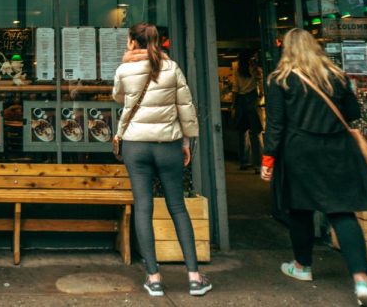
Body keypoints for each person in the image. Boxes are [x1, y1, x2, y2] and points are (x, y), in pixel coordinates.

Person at [261, 28, 367, 307]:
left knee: (300, 211)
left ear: (286, 50)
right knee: (342, 213)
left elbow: (276, 125)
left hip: (299, 152)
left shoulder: (280, 80)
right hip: (337, 151)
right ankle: (362, 281)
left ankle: (302, 266)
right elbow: (353, 114)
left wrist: (268, 158)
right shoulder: (337, 77)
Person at [113, 23, 211, 298]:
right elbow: (186, 106)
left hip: (136, 145)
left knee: (143, 208)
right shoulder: (171, 68)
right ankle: (194, 277)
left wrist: (126, 65)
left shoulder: (124, 69)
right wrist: (187, 140)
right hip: (167, 145)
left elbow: (119, 97)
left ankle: (154, 278)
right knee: (177, 207)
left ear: (132, 42)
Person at [233, 50, 263, 173]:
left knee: (242, 132)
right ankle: (258, 164)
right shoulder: (254, 68)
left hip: (240, 100)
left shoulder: (236, 66)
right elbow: (260, 81)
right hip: (252, 98)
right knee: (255, 133)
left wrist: (233, 106)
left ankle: (244, 161)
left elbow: (235, 87)